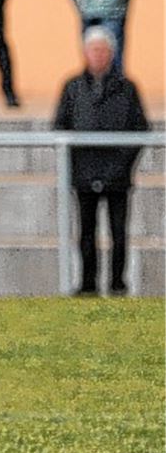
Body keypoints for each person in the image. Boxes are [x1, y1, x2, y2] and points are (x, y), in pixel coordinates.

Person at [53, 26, 148, 297]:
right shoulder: (73, 88)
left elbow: (139, 129)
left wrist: (121, 165)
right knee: (85, 233)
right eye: (93, 50)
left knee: (118, 233)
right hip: (84, 174)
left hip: (117, 176)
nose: (98, 55)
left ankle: (118, 284)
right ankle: (87, 284)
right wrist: (78, 165)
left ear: (112, 54)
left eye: (103, 50)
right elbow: (60, 126)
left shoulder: (127, 89)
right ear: (85, 53)